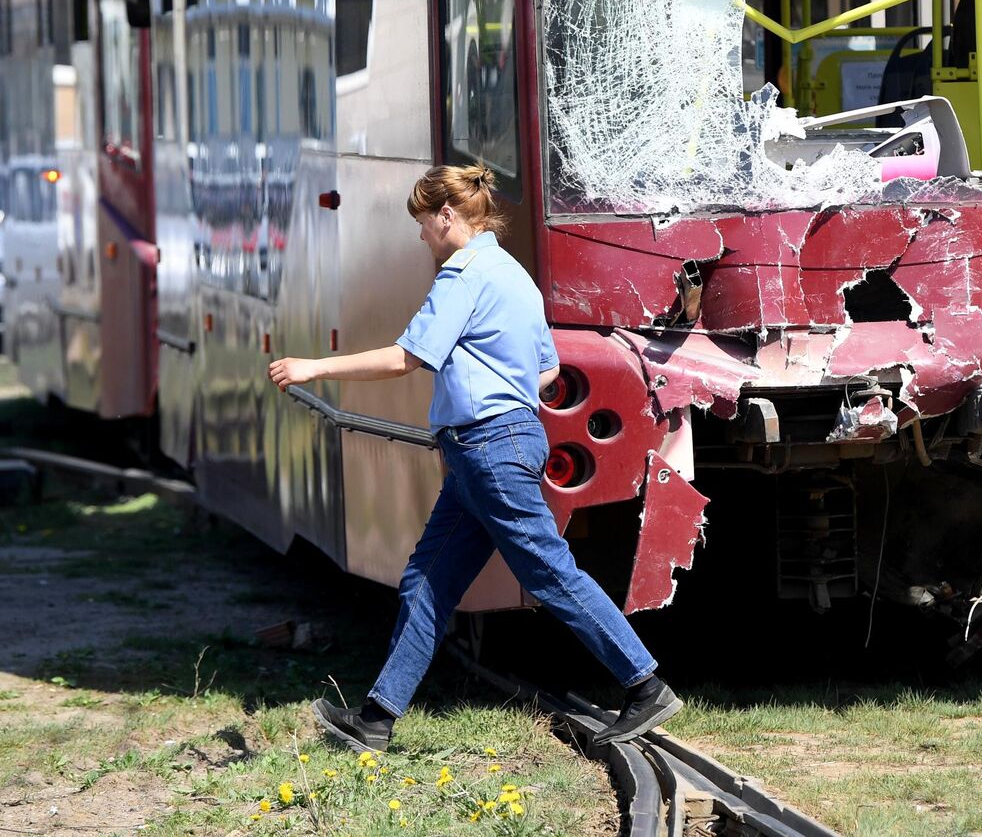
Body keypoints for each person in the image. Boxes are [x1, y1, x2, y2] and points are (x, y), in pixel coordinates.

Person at [268, 164, 681, 752]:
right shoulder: (515, 276)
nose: (420, 238)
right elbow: (547, 370)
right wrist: (493, 383)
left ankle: (645, 685)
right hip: (489, 448)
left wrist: (315, 367)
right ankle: (376, 720)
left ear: (446, 216)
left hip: (489, 447)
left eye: (422, 225)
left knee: (547, 571)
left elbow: (408, 358)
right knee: (427, 583)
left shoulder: (462, 275)